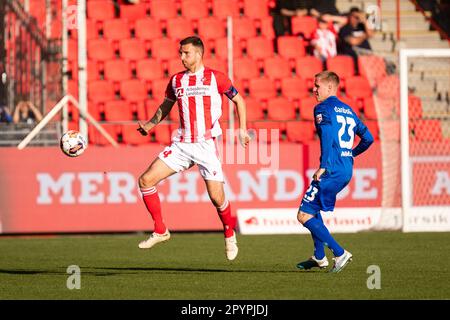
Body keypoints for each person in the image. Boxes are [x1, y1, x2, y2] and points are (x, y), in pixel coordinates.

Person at [136, 36, 250, 261]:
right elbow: (166, 106)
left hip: (206, 146)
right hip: (182, 144)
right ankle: (161, 230)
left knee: (217, 199)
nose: (181, 57)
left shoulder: (216, 78)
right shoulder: (177, 80)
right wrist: (150, 125)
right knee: (145, 181)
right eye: (180, 53)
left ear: (198, 54)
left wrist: (243, 129)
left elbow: (239, 101)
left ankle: (229, 233)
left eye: (186, 53)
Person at [296, 71, 374, 273]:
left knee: (304, 214)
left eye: (317, 86)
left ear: (330, 87)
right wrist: (351, 154)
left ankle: (339, 253)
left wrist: (324, 164)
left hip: (331, 167)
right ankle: (319, 256)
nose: (314, 89)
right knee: (313, 208)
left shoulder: (322, 108)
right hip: (345, 167)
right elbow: (369, 139)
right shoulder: (348, 110)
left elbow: (329, 135)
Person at [338, 7, 374, 72]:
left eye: (357, 17)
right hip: (354, 57)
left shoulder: (362, 27)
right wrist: (365, 36)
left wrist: (364, 21)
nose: (355, 19)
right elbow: (353, 41)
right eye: (353, 16)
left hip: (366, 55)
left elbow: (371, 34)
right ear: (349, 16)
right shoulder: (345, 29)